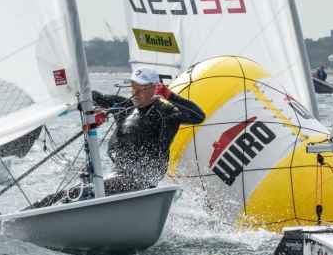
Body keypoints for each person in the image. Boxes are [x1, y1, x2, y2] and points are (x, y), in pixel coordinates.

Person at [28, 66, 205, 208]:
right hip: (118, 174)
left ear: (154, 88)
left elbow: (198, 116)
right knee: (77, 190)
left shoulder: (166, 112)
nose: (135, 92)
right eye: (133, 87)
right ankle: (35, 211)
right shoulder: (124, 107)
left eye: (141, 89)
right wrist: (84, 103)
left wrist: (170, 95)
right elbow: (92, 97)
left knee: (85, 191)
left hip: (143, 179)